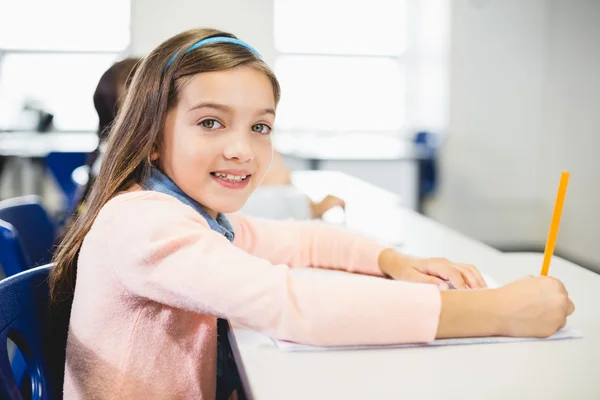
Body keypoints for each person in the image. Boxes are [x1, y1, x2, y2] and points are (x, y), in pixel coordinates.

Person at [50, 28, 574, 399]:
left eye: (260, 127)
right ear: (152, 141)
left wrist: (393, 260)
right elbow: (291, 303)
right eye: (211, 123)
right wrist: (499, 312)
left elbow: (299, 241)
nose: (242, 149)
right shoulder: (146, 223)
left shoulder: (182, 211)